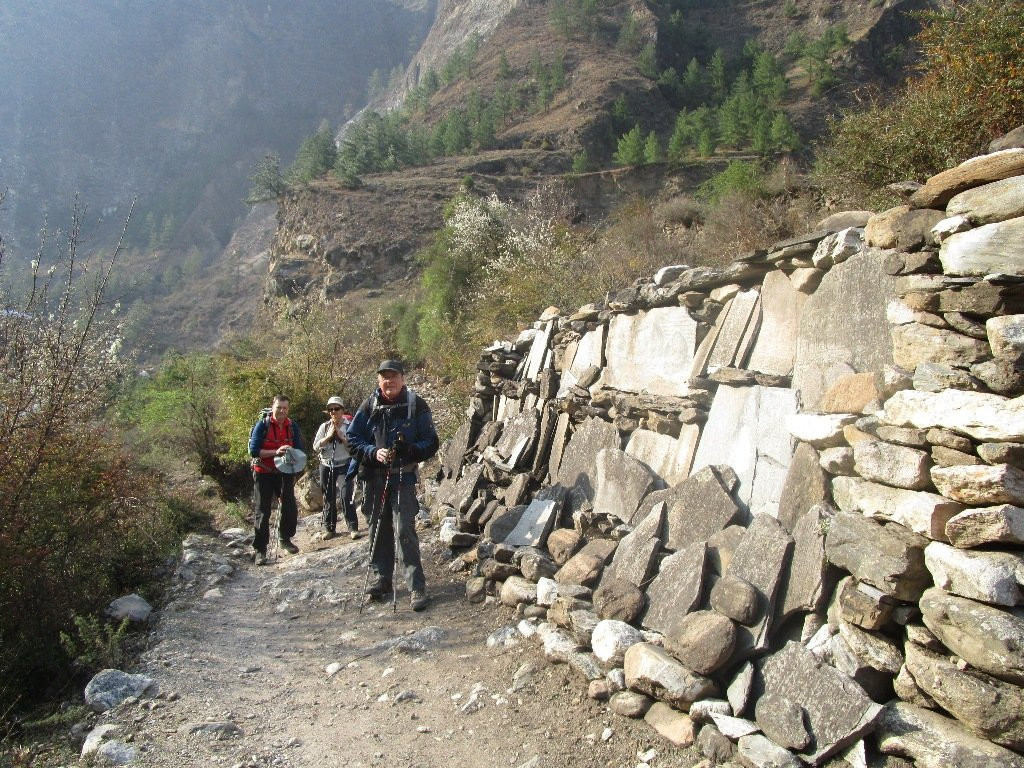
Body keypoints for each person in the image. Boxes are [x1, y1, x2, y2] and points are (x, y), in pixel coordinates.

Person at [347, 360, 439, 611]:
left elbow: (431, 442)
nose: (389, 381)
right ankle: (382, 579)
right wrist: (372, 452)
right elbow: (352, 439)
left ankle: (416, 587)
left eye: (394, 376)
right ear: (379, 381)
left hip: (403, 477)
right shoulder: (369, 405)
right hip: (374, 477)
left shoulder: (416, 405)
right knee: (378, 529)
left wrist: (409, 450)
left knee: (404, 530)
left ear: (403, 378)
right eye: (384, 377)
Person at [248, 394, 303, 564]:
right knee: (263, 511)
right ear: (273, 407)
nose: (281, 411)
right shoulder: (262, 425)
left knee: (290, 508)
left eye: (285, 408)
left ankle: (284, 539)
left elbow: (300, 450)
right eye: (279, 407)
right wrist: (276, 452)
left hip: (284, 472)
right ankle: (260, 550)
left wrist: (290, 453)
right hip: (263, 471)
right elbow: (254, 451)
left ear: (288, 409)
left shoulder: (292, 426)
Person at [312, 396, 360, 540]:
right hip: (327, 465)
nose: (334, 412)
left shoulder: (349, 425)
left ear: (342, 410)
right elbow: (315, 447)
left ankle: (353, 528)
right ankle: (330, 528)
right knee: (329, 497)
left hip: (345, 464)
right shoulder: (324, 427)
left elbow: (355, 447)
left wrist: (341, 437)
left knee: (346, 496)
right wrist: (327, 438)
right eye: (331, 410)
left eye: (337, 409)